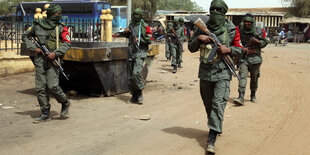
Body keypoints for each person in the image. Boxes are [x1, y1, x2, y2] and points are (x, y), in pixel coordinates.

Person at [188, 0, 243, 153]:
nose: (214, 12)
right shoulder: (202, 27)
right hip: (205, 72)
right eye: (212, 9)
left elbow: (240, 49)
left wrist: (229, 50)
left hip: (223, 72)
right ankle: (215, 125)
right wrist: (199, 39)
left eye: (218, 10)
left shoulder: (231, 29)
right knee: (209, 105)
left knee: (218, 104)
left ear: (224, 12)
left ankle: (212, 137)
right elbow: (191, 47)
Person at [22, 4, 71, 123]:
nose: (59, 16)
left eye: (60, 13)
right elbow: (25, 36)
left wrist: (56, 53)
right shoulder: (37, 25)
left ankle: (65, 102)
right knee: (40, 87)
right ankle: (45, 112)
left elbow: (67, 42)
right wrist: (34, 48)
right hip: (40, 59)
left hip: (53, 60)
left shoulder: (61, 27)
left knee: (52, 86)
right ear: (50, 14)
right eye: (57, 14)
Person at [233, 13, 268, 105]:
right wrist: (243, 49)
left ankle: (253, 95)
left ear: (252, 22)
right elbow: (236, 43)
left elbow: (265, 42)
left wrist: (258, 42)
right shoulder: (239, 31)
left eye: (249, 22)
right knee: (242, 77)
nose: (247, 24)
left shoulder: (259, 31)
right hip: (244, 58)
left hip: (255, 59)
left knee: (254, 78)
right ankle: (241, 97)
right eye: (245, 22)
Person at [120, 8, 152, 104]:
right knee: (130, 76)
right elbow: (129, 36)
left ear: (140, 15)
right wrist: (125, 33)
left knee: (135, 73)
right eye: (134, 14)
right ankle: (134, 96)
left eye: (137, 14)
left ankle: (140, 91)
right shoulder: (131, 25)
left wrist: (140, 40)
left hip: (140, 52)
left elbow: (149, 40)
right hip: (131, 52)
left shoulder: (145, 26)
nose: (135, 16)